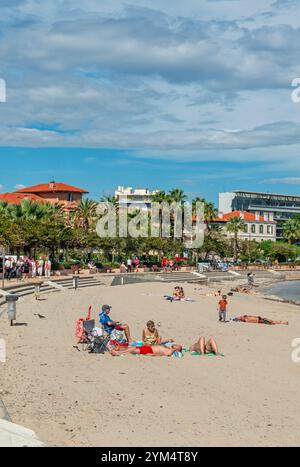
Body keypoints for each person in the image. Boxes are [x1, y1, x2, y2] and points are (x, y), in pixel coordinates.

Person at [109, 343, 183, 357]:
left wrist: (153, 355)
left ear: (177, 349)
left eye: (177, 346)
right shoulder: (169, 348)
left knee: (134, 349)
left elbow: (162, 354)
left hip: (150, 350)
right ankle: (117, 351)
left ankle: (117, 353)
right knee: (133, 348)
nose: (176, 344)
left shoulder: (170, 351)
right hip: (149, 348)